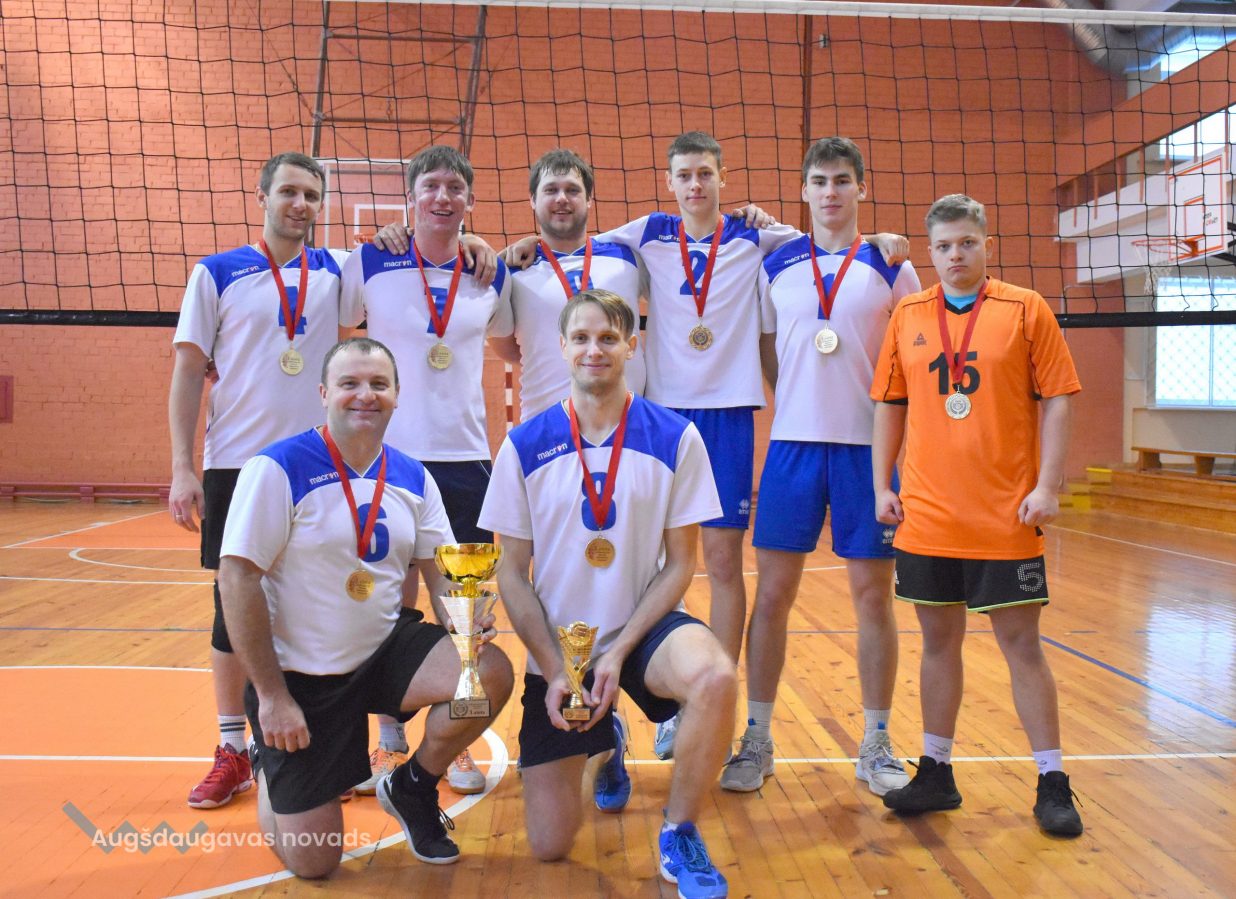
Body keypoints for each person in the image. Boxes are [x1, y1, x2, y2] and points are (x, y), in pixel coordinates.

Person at [218, 337, 514, 877]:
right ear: (323, 393)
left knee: (486, 673)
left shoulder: (413, 476)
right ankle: (269, 763)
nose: (365, 395)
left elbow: (443, 574)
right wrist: (272, 696)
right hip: (302, 680)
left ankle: (413, 786)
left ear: (398, 395)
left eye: (379, 384)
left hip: (381, 652)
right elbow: (237, 580)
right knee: (315, 861)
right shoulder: (278, 468)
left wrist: (465, 621)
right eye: (350, 383)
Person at [479, 290, 737, 899]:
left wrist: (619, 652)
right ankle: (607, 743)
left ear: (631, 345)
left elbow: (681, 564)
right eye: (581, 338)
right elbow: (511, 574)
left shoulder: (676, 437)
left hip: (643, 631)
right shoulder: (524, 444)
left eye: (608, 338)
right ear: (561, 347)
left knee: (716, 678)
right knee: (549, 844)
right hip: (560, 650)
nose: (594, 349)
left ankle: (679, 831)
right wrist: (553, 668)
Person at [870, 194, 1084, 836]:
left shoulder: (1025, 308)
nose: (955, 255)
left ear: (987, 245)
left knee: (1022, 646)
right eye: (943, 246)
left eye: (966, 243)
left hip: (1004, 516)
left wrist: (1048, 485)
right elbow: (889, 404)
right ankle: (936, 771)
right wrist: (881, 484)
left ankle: (1052, 781)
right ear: (930, 252)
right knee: (938, 644)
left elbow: (1059, 398)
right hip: (928, 515)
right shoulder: (908, 313)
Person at [723, 137, 921, 795]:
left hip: (868, 453)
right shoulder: (776, 262)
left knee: (873, 598)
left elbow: (912, 359)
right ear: (803, 190)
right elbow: (767, 346)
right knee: (772, 597)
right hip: (792, 448)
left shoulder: (892, 264)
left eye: (841, 180)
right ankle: (757, 737)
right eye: (819, 181)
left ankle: (876, 740)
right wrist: (796, 400)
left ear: (861, 187)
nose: (830, 191)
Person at [169, 152, 349, 809]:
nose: (300, 204)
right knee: (232, 608)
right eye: (289, 192)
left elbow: (414, 260)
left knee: (315, 605)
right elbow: (188, 372)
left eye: (311, 195)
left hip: (313, 466)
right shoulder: (216, 273)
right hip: (235, 466)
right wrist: (182, 465)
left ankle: (317, 747)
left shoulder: (336, 271)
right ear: (263, 195)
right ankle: (231, 748)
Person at [341, 144, 513, 796]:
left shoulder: (490, 274)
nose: (443, 197)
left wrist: (500, 249)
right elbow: (327, 323)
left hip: (466, 459)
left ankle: (456, 739)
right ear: (411, 196)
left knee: (462, 608)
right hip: (385, 458)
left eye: (455, 188)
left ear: (469, 200)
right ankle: (385, 735)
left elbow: (509, 343)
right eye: (431, 186)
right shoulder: (370, 261)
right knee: (385, 597)